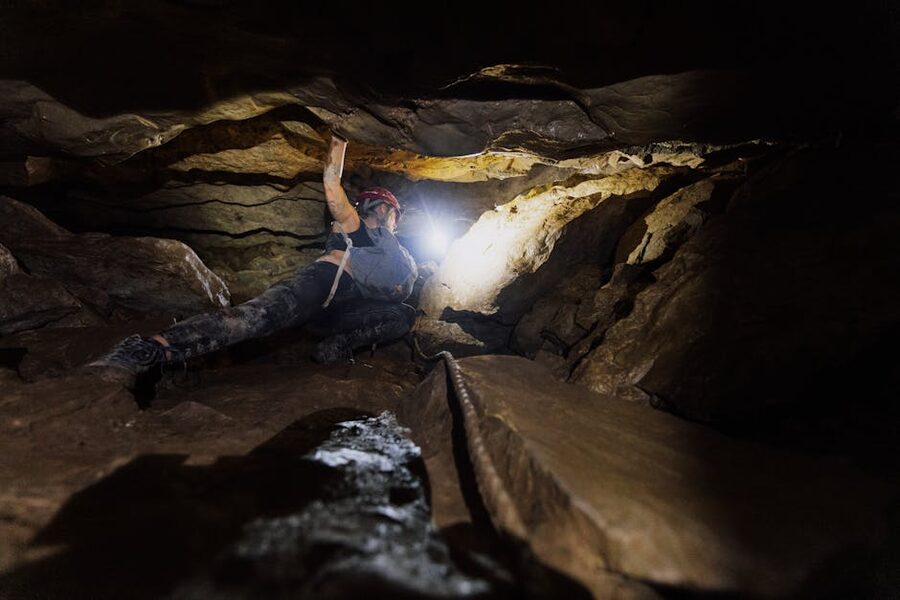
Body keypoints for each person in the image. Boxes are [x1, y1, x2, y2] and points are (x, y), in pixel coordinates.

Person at [88, 134, 418, 388]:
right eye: (394, 214)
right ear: (383, 209)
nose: (395, 222)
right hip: (320, 286)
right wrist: (340, 141)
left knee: (402, 315)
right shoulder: (359, 229)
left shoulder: (387, 250)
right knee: (256, 318)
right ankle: (148, 348)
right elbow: (332, 187)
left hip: (341, 311)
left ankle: (334, 348)